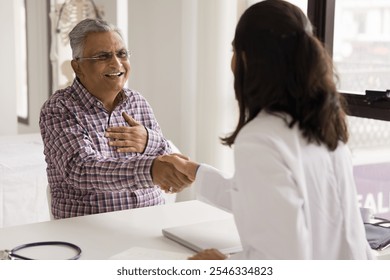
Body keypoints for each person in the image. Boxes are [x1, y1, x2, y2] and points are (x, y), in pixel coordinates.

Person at [161, 0, 373, 259]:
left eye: (234, 51)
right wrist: (196, 172)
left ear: (249, 59)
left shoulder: (261, 138)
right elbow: (266, 202)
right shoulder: (326, 129)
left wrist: (221, 266)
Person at [40, 18, 191, 219]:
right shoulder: (59, 108)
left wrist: (148, 141)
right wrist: (150, 170)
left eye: (122, 54)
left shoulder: (138, 102)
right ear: (78, 67)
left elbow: (165, 154)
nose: (117, 63)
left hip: (151, 219)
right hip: (89, 231)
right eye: (102, 56)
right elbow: (81, 169)